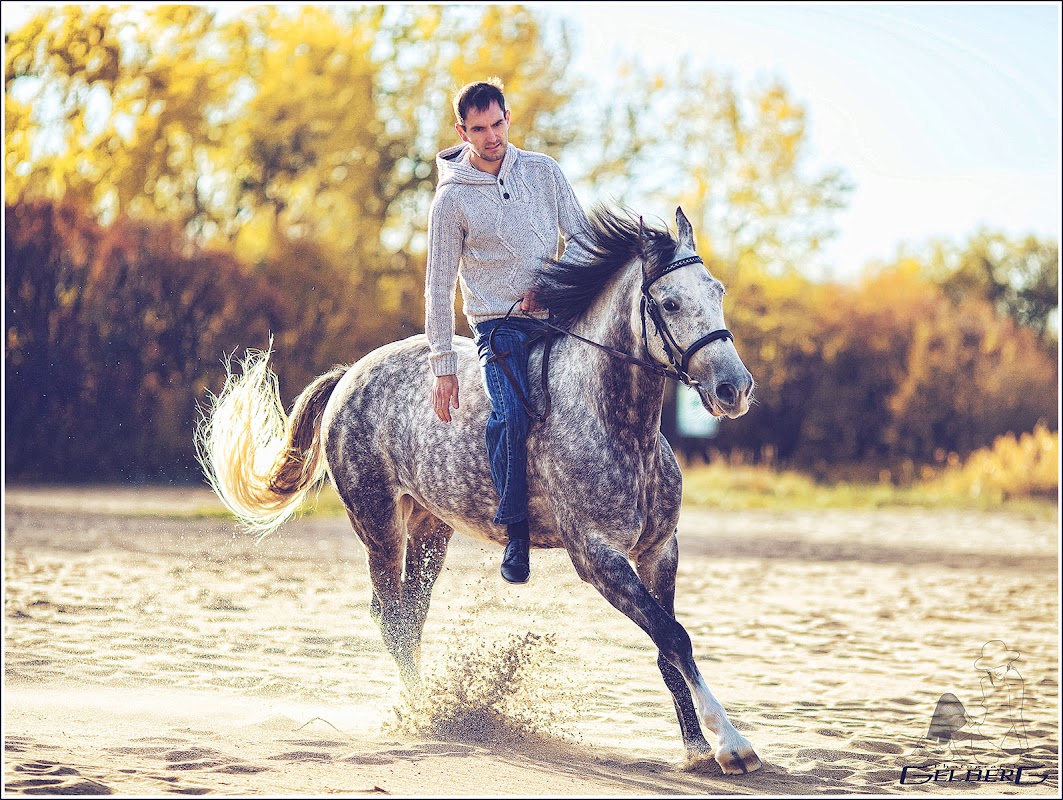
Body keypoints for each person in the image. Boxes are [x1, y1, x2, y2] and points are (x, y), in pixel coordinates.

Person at [424, 77, 593, 584]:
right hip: (498, 328)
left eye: (497, 123)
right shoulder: (450, 201)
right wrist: (443, 367)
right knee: (511, 415)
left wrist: (550, 291)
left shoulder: (544, 172)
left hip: (556, 320)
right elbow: (437, 287)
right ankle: (515, 531)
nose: (491, 136)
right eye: (479, 128)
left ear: (508, 118)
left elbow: (583, 241)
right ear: (462, 131)